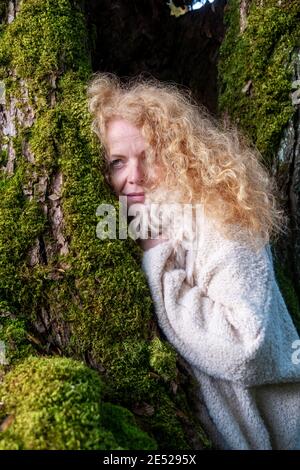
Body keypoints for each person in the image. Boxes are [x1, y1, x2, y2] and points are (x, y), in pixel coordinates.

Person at [87, 72, 300, 450]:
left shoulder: (223, 217)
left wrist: (159, 261)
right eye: (117, 162)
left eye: (147, 156)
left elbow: (247, 347)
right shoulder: (138, 224)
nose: (133, 177)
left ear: (178, 154)